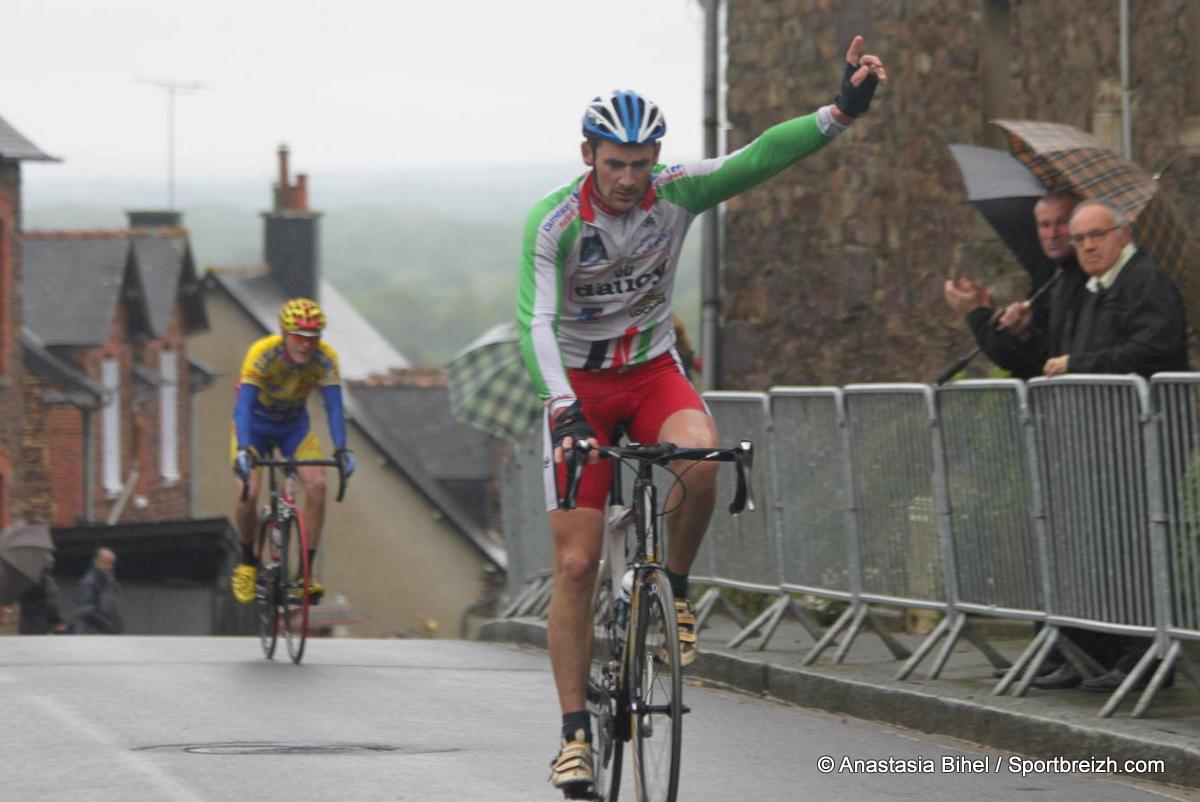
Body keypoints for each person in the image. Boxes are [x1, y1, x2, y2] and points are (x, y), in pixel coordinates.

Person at [519, 37, 887, 798]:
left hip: (652, 370)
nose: (629, 178)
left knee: (703, 459)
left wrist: (842, 110)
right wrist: (562, 414)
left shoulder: (676, 193)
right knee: (578, 565)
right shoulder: (554, 222)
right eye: (615, 162)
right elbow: (535, 324)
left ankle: (675, 592)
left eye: (641, 161)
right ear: (588, 154)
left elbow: (755, 159)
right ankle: (573, 737)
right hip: (581, 384)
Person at [229, 298, 356, 606]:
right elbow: (243, 408)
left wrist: (341, 449)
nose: (306, 345)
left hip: (293, 428)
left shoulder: (325, 360)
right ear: (285, 334)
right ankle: (247, 563)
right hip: (254, 428)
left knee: (318, 486)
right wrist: (245, 449)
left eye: (313, 338)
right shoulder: (262, 354)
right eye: (299, 337)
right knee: (249, 491)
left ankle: (305, 576)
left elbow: (334, 407)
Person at [943, 190, 1086, 379]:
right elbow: (1026, 356)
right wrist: (1015, 329)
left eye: (1062, 223)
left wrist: (975, 313)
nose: (1052, 234)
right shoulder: (1053, 279)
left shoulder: (1083, 281)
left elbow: (1042, 359)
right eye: (1044, 225)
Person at [72, 547, 123, 634]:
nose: (110, 567)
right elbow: (86, 609)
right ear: (97, 562)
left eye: (111, 563)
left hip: (107, 632)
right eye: (106, 563)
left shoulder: (109, 581)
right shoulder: (90, 582)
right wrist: (107, 624)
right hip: (92, 633)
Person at [18, 558, 67, 635]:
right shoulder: (48, 581)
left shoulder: (25, 579)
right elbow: (52, 604)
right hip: (41, 623)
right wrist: (57, 620)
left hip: (25, 623)